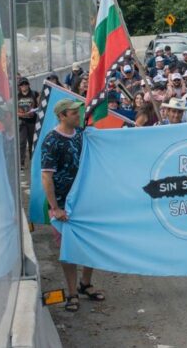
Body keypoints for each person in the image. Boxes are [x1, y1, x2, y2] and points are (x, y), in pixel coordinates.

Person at [41, 98, 106, 312]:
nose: (78, 116)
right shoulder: (51, 140)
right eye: (73, 113)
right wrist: (55, 207)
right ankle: (71, 293)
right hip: (63, 205)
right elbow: (46, 177)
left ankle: (85, 284)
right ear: (62, 116)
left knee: (91, 243)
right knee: (67, 249)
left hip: (86, 200)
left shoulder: (80, 134)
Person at [17, 77, 39, 166]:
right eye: (22, 84)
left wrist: (34, 111)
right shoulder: (17, 96)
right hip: (22, 122)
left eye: (25, 84)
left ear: (28, 85)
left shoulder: (34, 94)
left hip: (32, 122)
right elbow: (14, 109)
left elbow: (40, 106)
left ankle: (32, 161)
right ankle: (21, 162)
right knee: (22, 142)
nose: (24, 86)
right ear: (19, 86)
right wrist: (20, 114)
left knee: (32, 142)